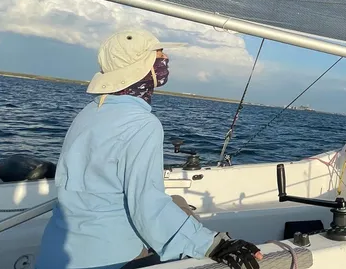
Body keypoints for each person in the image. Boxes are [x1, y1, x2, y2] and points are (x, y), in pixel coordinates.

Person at [36, 29, 263, 269]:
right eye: (159, 55)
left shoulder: (89, 112)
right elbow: (146, 205)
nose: (165, 59)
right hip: (109, 258)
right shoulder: (142, 123)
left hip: (57, 251)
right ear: (142, 66)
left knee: (176, 202)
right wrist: (214, 245)